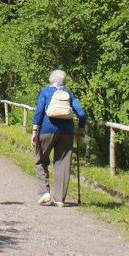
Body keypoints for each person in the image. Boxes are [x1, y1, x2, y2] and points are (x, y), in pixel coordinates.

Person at [31, 69, 87, 207]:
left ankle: (45, 192)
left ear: (51, 80)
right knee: (63, 164)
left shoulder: (45, 92)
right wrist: (80, 128)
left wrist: (34, 130)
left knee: (41, 160)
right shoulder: (68, 93)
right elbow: (82, 113)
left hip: (47, 130)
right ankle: (60, 199)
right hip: (67, 132)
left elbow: (39, 111)